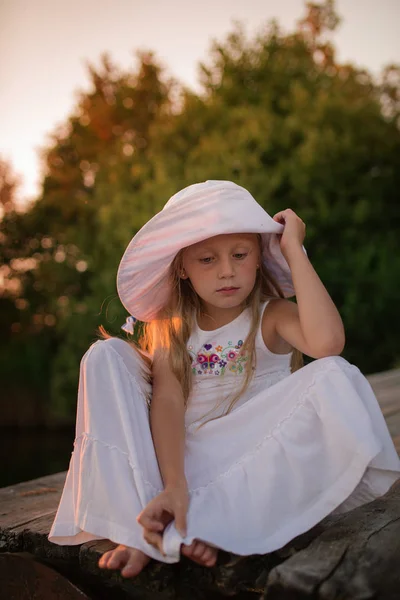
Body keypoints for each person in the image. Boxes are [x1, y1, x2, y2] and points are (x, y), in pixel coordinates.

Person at [48, 180, 400, 579]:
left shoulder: (272, 315)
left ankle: (216, 523)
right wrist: (175, 483)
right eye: (207, 259)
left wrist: (293, 251)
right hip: (187, 461)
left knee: (336, 374)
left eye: (240, 254)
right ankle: (138, 526)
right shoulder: (174, 330)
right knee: (104, 355)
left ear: (258, 258)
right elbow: (167, 404)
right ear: (182, 267)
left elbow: (328, 343)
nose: (227, 271)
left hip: (256, 459)